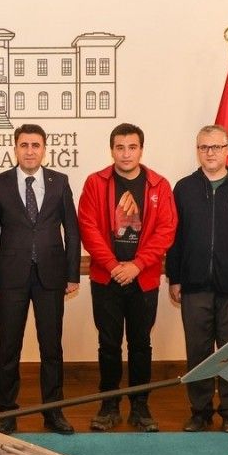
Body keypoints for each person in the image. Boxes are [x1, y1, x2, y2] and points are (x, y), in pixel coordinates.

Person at [0, 124, 81, 435]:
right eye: (23, 145)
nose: (29, 151)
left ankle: (53, 413)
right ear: (15, 148)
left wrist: (72, 274)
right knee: (8, 348)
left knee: (51, 348)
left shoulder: (59, 182)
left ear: (44, 149)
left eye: (35, 145)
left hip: (51, 277)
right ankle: (7, 413)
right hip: (10, 277)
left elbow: (72, 230)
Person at [77, 123, 176, 432]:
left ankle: (140, 406)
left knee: (140, 344)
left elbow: (166, 230)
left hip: (142, 279)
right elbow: (88, 228)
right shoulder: (95, 183)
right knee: (108, 344)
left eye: (132, 147)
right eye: (120, 147)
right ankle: (108, 405)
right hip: (106, 279)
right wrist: (112, 265)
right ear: (112, 150)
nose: (126, 154)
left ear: (141, 150)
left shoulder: (159, 185)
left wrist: (137, 265)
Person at [166, 124, 228, 433]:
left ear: (227, 150)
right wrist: (174, 277)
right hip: (194, 285)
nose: (210, 153)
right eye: (204, 147)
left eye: (217, 147)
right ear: (198, 150)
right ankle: (200, 412)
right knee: (198, 352)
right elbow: (174, 238)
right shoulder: (183, 188)